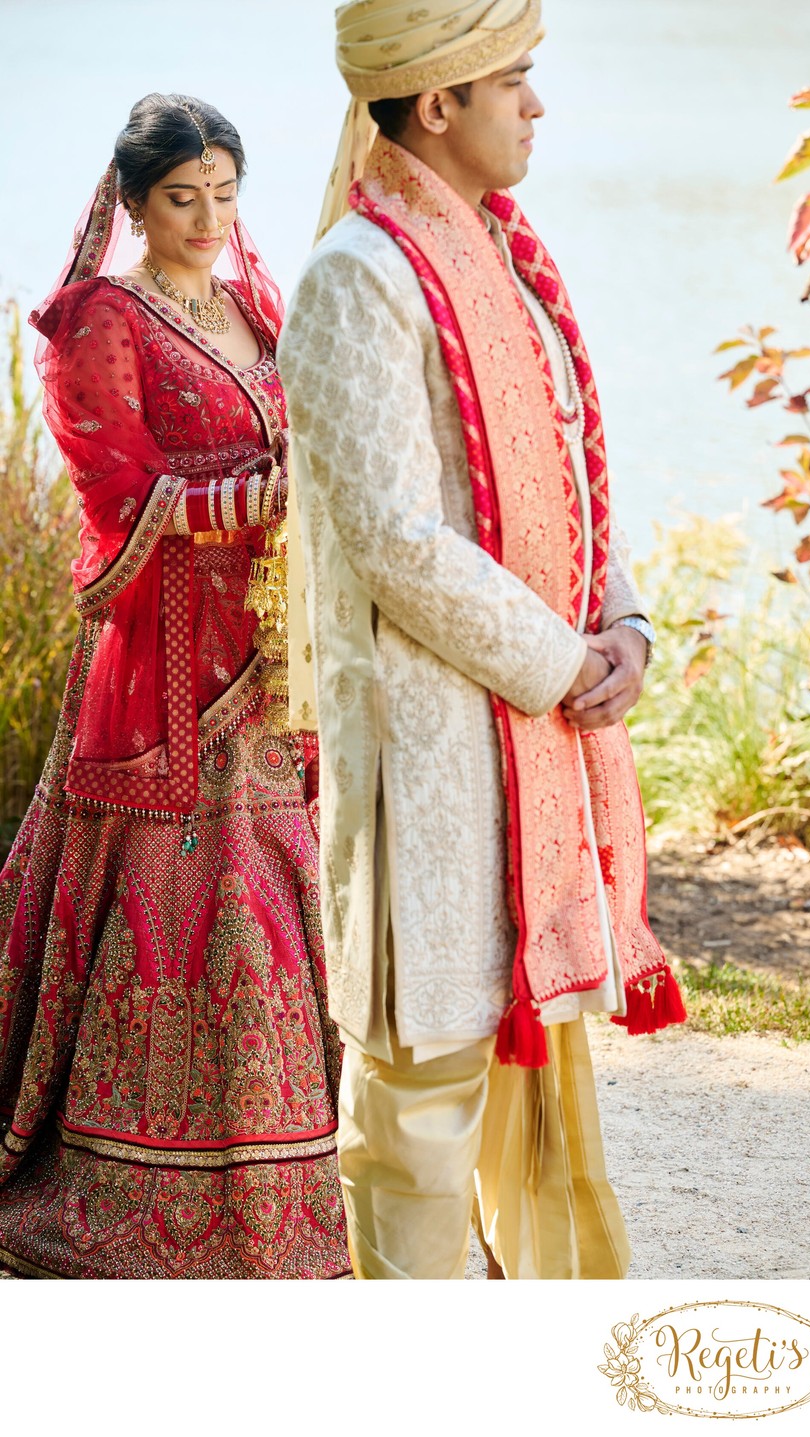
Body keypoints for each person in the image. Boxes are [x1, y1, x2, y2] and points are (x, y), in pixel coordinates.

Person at [277, 0, 686, 1280]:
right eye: (514, 79)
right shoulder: (360, 274)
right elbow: (398, 542)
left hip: (532, 730)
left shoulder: (501, 254)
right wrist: (566, 665)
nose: (538, 105)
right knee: (421, 1096)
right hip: (433, 747)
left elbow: (565, 477)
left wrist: (619, 620)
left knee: (522, 1069)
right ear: (436, 102)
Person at [0, 94, 350, 1279]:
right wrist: (249, 501)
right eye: (182, 199)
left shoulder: (257, 305)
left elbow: (305, 439)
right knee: (186, 911)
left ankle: (287, 1191)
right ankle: (124, 1187)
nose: (208, 219)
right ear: (134, 203)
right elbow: (113, 495)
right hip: (163, 670)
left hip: (268, 662)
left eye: (225, 195)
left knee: (277, 909)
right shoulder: (99, 317)